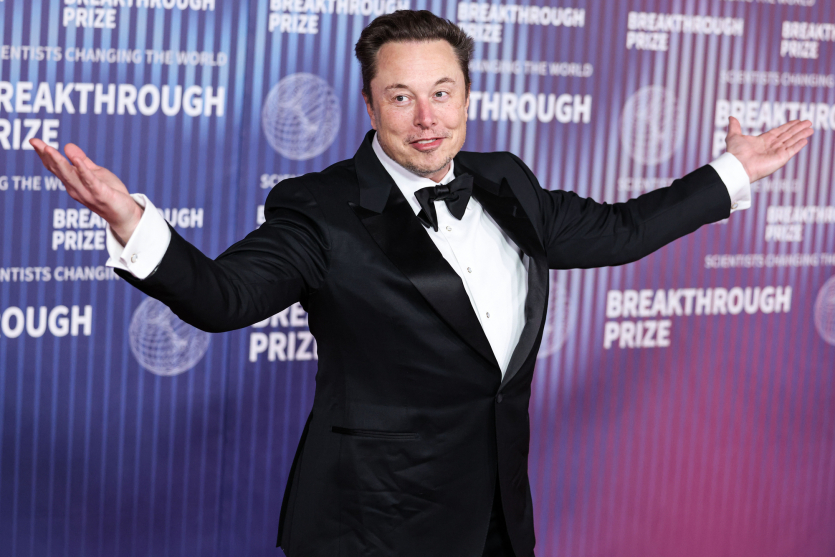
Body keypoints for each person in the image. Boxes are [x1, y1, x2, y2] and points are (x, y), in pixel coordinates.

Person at [30, 10, 812, 557]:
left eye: (441, 92)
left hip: (499, 520)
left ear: (466, 96)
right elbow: (220, 296)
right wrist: (132, 221)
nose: (426, 117)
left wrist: (732, 171)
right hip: (373, 530)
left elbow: (622, 230)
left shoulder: (506, 183)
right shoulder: (321, 209)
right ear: (369, 105)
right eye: (400, 96)